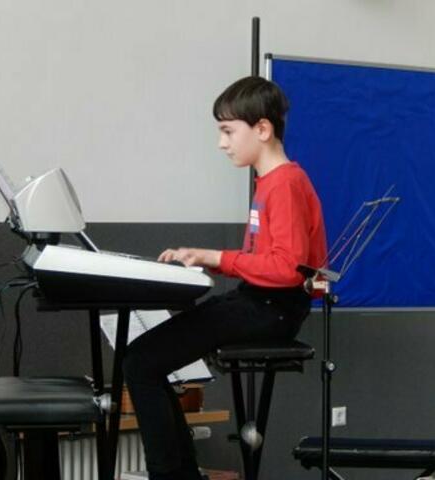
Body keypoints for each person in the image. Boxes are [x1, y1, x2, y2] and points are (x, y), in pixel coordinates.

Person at [122, 76, 328, 480]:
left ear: (262, 129)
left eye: (228, 131)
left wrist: (216, 257)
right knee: (142, 362)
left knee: (140, 363)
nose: (222, 143)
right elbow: (262, 259)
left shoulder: (285, 184)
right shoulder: (270, 182)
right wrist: (205, 258)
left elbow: (287, 269)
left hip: (270, 310)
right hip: (258, 302)